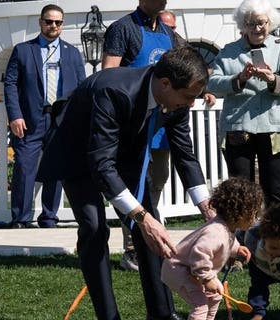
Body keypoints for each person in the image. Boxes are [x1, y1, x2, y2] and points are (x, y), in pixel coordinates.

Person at [38, 46, 214, 320]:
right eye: (189, 97)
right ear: (165, 83)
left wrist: (206, 205)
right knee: (95, 228)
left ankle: (162, 314)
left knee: (153, 233)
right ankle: (109, 317)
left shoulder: (178, 99)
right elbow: (101, 164)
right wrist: (141, 217)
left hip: (121, 156)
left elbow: (184, 152)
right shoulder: (114, 90)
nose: (192, 104)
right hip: (77, 155)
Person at [101, 0, 175, 271]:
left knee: (156, 183)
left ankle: (149, 239)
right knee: (135, 185)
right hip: (132, 125)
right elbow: (108, 75)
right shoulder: (123, 28)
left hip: (161, 125)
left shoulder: (167, 33)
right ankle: (132, 249)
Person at [207, 0, 280, 207]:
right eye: (250, 23)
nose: (257, 28)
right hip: (238, 126)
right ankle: (240, 238)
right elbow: (212, 82)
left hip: (275, 127)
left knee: (275, 191)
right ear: (243, 25)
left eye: (261, 23)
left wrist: (272, 79)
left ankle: (278, 238)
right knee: (240, 192)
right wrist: (239, 78)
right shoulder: (229, 50)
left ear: (270, 22)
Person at [4, 4, 85, 228]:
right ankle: (20, 219)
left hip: (60, 120)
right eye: (49, 21)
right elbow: (10, 84)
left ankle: (49, 217)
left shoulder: (72, 52)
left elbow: (81, 88)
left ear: (62, 24)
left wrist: (77, 119)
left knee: (56, 169)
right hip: (30, 119)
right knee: (24, 167)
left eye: (58, 22)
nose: (53, 26)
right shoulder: (23, 50)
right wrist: (15, 115)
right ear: (40, 22)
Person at [161, 177, 262, 320]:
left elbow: (226, 242)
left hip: (190, 269)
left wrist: (237, 249)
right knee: (200, 305)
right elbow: (199, 254)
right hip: (178, 270)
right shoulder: (216, 231)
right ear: (240, 214)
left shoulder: (225, 227)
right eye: (254, 214)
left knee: (214, 297)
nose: (256, 219)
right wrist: (208, 279)